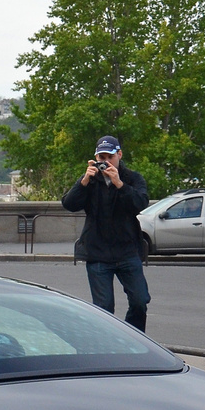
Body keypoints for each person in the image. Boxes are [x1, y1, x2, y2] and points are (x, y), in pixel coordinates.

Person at [62, 135, 151, 332]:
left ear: (119, 155)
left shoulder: (132, 179)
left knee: (139, 301)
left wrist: (119, 184)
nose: (105, 162)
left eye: (109, 157)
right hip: (98, 254)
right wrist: (84, 181)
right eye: (101, 158)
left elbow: (140, 203)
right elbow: (69, 204)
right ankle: (110, 346)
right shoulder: (90, 181)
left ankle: (133, 339)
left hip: (127, 252)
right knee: (103, 309)